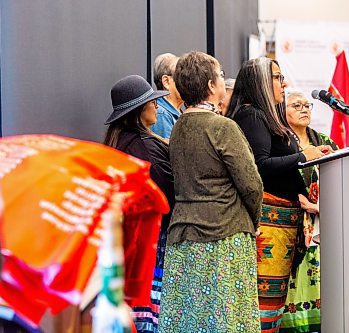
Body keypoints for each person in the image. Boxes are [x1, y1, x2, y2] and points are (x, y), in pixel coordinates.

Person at [158, 51, 263, 332]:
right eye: (219, 75)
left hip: (183, 233)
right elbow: (251, 184)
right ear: (210, 86)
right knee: (228, 318)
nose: (221, 80)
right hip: (226, 234)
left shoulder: (178, 127)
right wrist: (254, 221)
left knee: (189, 319)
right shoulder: (223, 127)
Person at [226, 57, 332, 332]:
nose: (283, 83)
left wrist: (300, 189)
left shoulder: (262, 115)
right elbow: (259, 166)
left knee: (272, 307)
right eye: (277, 77)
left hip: (282, 223)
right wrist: (302, 156)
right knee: (264, 308)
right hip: (270, 226)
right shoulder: (252, 115)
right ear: (259, 82)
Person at [104, 74, 175, 333]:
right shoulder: (146, 147)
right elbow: (166, 196)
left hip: (127, 241)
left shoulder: (116, 143)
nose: (156, 106)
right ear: (137, 111)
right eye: (151, 102)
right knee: (151, 315)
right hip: (153, 242)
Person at [280, 89, 338, 333]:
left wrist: (318, 206)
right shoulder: (280, 145)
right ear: (282, 112)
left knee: (321, 282)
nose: (304, 109)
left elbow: (339, 181)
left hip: (320, 226)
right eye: (296, 105)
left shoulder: (325, 142)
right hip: (287, 225)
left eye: (307, 105)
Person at [150, 53, 184, 139]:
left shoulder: (176, 111)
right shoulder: (161, 115)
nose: (187, 80)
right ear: (166, 81)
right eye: (182, 76)